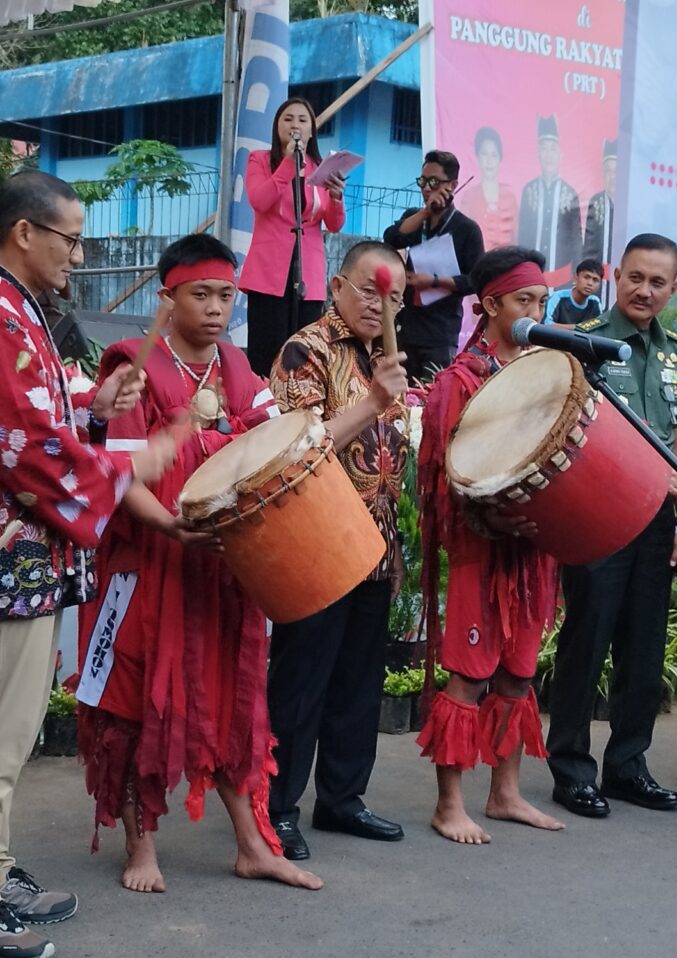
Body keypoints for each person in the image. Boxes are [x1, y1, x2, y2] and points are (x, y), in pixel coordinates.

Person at [0, 170, 177, 958]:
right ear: (23, 233)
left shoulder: (8, 309)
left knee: (12, 727)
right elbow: (28, 452)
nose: (78, 253)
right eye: (69, 238)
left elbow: (32, 422)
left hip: (24, 549)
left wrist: (93, 412)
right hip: (8, 549)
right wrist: (132, 465)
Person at [77, 232, 322, 893]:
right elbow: (121, 476)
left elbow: (273, 452)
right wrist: (174, 530)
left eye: (225, 294)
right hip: (146, 564)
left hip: (217, 568)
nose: (216, 308)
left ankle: (252, 843)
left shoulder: (241, 371)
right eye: (201, 294)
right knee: (133, 708)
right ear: (168, 297)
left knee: (233, 702)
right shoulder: (131, 366)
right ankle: (141, 846)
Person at [413, 246, 571, 843]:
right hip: (483, 548)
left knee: (518, 674)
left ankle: (505, 795)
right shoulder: (458, 382)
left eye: (541, 300)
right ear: (489, 304)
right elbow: (446, 483)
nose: (536, 311)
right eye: (524, 301)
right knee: (468, 675)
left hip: (533, 549)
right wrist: (495, 523)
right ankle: (448, 804)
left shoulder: (548, 373)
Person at [264, 242, 415, 857]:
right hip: (316, 541)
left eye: (397, 297)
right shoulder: (306, 350)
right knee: (302, 683)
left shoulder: (389, 362)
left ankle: (342, 799)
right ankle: (274, 807)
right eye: (372, 290)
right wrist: (375, 402)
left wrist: (396, 546)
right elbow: (300, 446)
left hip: (373, 547)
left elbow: (390, 465)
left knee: (358, 683)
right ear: (337, 286)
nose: (383, 306)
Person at [545, 235, 677, 819]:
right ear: (615, 275)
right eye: (635, 277)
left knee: (645, 645)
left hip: (659, 520)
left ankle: (629, 766)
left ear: (672, 289)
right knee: (588, 640)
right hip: (600, 515)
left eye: (658, 282)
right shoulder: (586, 347)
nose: (645, 290)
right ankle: (572, 769)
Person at [240, 97, 346, 376]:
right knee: (267, 348)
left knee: (302, 350)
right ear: (277, 127)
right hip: (269, 271)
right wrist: (288, 163)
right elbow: (260, 200)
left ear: (312, 130)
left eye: (302, 119)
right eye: (287, 119)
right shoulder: (260, 160)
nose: (295, 125)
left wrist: (336, 198)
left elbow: (333, 225)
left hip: (307, 270)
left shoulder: (321, 167)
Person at [382, 148, 484, 382]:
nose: (426, 188)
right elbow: (392, 237)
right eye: (423, 181)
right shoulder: (414, 218)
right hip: (406, 326)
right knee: (399, 396)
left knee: (429, 398)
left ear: (453, 184)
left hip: (440, 332)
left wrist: (435, 281)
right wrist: (425, 212)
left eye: (434, 181)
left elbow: (476, 279)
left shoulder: (466, 229)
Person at [515, 116, 583, 270]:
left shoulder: (570, 193)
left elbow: (576, 241)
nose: (548, 155)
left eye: (553, 149)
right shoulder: (529, 190)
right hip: (532, 274)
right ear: (538, 154)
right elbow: (523, 236)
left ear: (561, 155)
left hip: (561, 277)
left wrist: (577, 274)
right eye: (544, 148)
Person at [467, 126, 517, 255]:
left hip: (506, 267)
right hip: (476, 268)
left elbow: (517, 240)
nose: (489, 161)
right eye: (484, 154)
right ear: (477, 157)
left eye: (494, 155)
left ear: (500, 159)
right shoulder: (469, 197)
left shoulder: (510, 198)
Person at [580, 140, 617, 268]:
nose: (612, 177)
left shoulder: (628, 206)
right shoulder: (595, 201)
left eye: (616, 171)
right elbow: (589, 247)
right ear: (602, 173)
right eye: (608, 171)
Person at [546, 258, 603, 327]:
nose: (590, 283)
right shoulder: (559, 297)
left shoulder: (595, 302)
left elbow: (600, 328)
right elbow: (547, 324)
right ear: (576, 278)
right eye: (586, 277)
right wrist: (577, 328)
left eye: (595, 280)